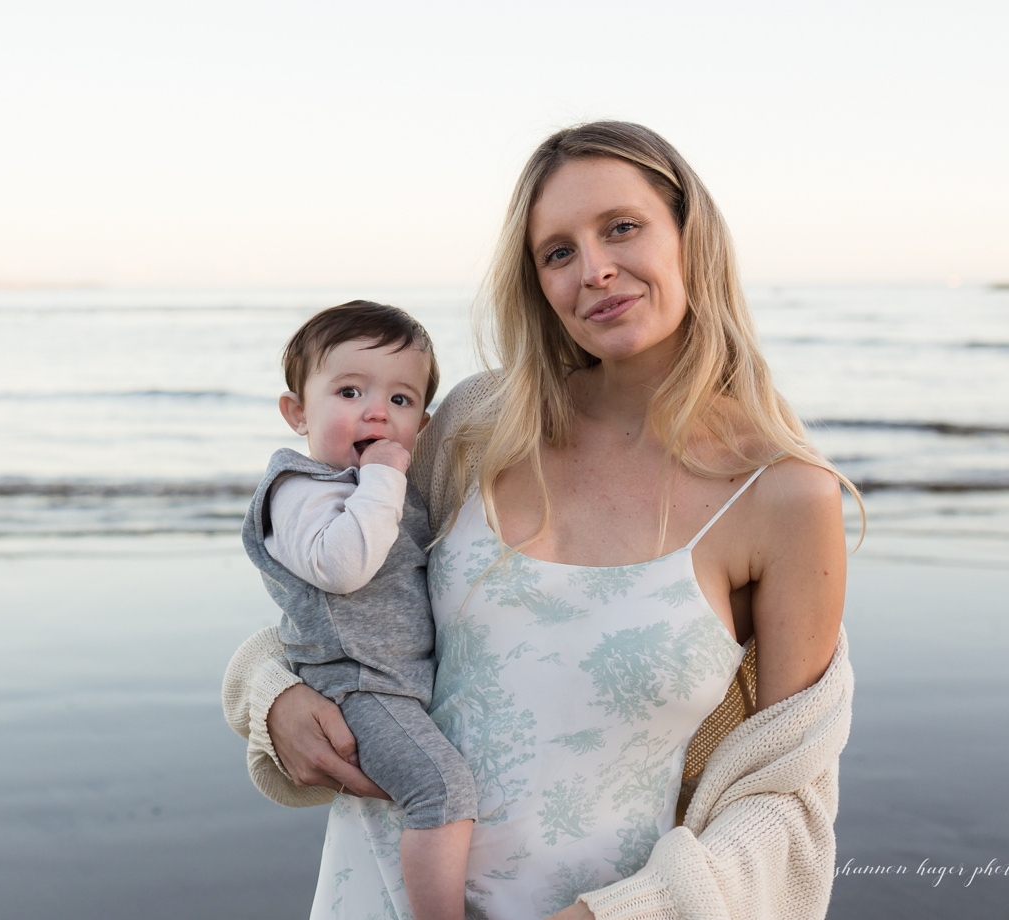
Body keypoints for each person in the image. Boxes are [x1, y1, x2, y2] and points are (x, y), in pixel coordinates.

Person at [221, 121, 857, 920]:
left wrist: (612, 916)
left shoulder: (783, 496)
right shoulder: (479, 425)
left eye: (621, 227)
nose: (593, 270)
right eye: (557, 252)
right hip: (369, 891)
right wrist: (266, 691)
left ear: (691, 236)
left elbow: (786, 800)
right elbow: (342, 595)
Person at [241, 301, 474, 920]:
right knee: (442, 792)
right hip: (357, 689)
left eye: (401, 400)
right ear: (297, 412)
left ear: (421, 424)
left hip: (394, 685)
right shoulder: (300, 489)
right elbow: (343, 567)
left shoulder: (382, 485)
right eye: (349, 390)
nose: (377, 411)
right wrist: (382, 480)